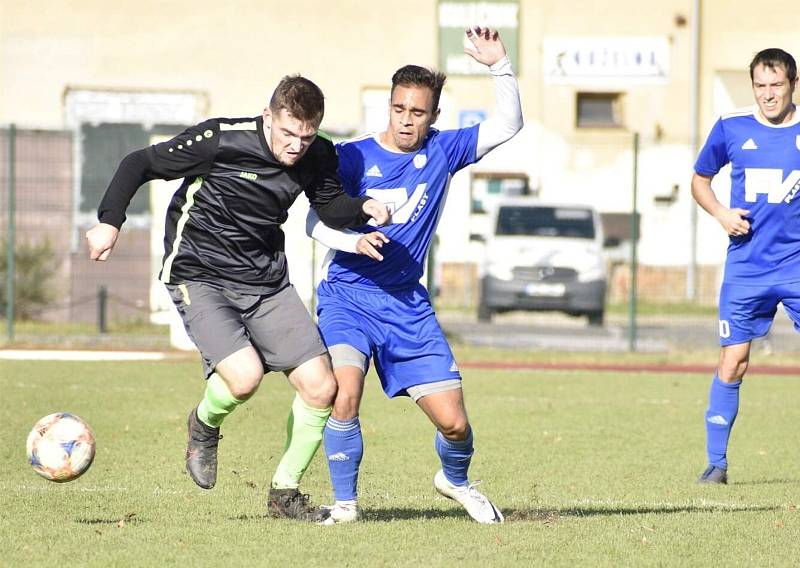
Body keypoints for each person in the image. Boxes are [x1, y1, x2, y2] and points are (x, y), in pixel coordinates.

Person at [85, 75, 389, 520]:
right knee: (244, 378)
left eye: (305, 136)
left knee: (322, 387)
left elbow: (329, 208)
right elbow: (138, 163)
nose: (296, 146)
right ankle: (203, 424)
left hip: (265, 281)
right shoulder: (220, 139)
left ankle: (284, 494)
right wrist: (110, 221)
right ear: (268, 117)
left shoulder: (317, 153)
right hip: (198, 272)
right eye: (288, 133)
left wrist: (361, 207)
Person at [305, 26, 522, 523]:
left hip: (407, 304)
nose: (406, 120)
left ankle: (456, 480)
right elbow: (315, 222)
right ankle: (345, 506)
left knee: (455, 425)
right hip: (348, 296)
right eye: (399, 109)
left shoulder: (444, 151)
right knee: (344, 393)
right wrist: (353, 239)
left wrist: (498, 67)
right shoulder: (351, 157)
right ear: (390, 106)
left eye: (417, 112)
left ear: (433, 117)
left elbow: (509, 124)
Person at [692, 48, 800, 484]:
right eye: (760, 86)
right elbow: (700, 180)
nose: (768, 94)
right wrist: (720, 213)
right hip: (747, 269)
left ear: (793, 84)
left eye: (776, 85)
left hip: (796, 265)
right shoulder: (731, 126)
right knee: (733, 360)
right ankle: (716, 465)